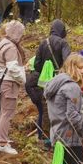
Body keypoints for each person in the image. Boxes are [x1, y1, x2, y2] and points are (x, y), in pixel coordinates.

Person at [30, 19, 71, 148]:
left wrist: (45, 70)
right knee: (56, 110)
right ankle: (53, 139)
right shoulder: (63, 43)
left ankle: (42, 137)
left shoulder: (43, 43)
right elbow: (68, 61)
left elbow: (36, 65)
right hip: (58, 81)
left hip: (43, 82)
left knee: (44, 109)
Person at [0, 21, 26, 154]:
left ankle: (2, 139)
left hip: (3, 81)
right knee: (7, 113)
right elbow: (12, 67)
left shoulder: (2, 43)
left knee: (3, 112)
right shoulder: (11, 47)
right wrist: (23, 79)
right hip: (9, 83)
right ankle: (2, 143)